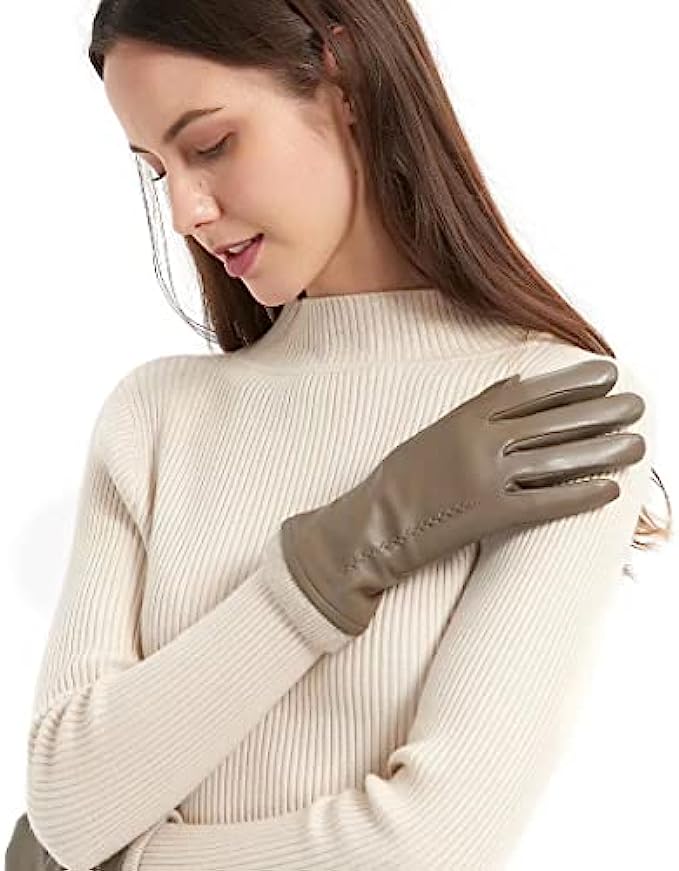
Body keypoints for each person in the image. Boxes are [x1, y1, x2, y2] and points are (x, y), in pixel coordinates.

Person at [23, 3, 669, 870]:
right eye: (155, 171)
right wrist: (338, 556)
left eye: (211, 144)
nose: (183, 211)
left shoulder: (550, 407)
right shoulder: (154, 415)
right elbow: (69, 804)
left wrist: (123, 862)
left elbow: (431, 844)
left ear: (346, 78)